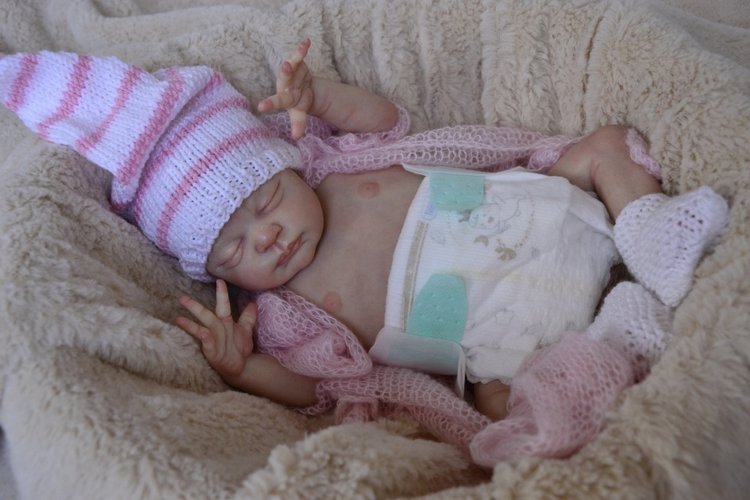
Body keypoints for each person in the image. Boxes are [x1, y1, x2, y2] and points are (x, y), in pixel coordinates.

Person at [0, 42, 728, 461]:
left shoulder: (337, 164)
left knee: (601, 148)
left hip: (548, 216)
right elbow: (316, 387)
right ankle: (612, 340)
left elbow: (386, 120)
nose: (266, 236)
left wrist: (317, 97)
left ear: (288, 163)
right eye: (232, 250)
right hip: (507, 337)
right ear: (216, 274)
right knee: (499, 411)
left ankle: (648, 234)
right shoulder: (282, 315)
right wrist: (243, 368)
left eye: (265, 201)